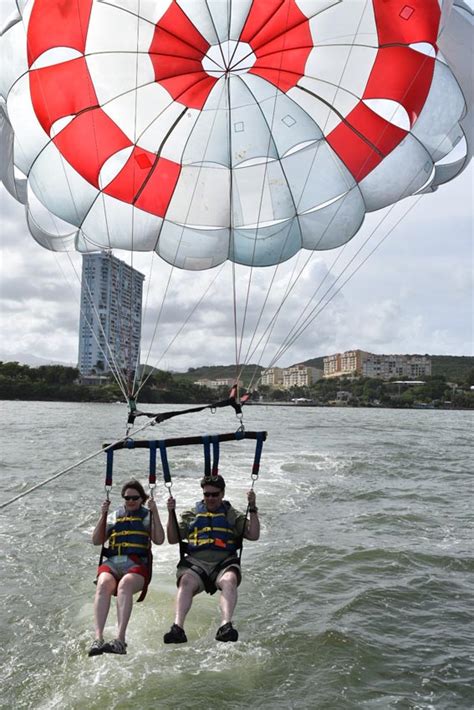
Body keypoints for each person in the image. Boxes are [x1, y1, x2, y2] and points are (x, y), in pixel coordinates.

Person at [164, 474, 259, 644]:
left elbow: (253, 534)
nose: (210, 498)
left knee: (229, 580)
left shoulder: (232, 515)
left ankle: (226, 625)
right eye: (207, 494)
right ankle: (177, 627)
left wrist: (252, 507)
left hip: (223, 563)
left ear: (222, 494)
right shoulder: (191, 515)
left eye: (215, 494)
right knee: (185, 582)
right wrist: (171, 512)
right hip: (196, 565)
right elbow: (171, 538)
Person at [88, 479, 164, 656]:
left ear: (142, 498)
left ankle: (120, 640)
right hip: (113, 563)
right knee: (103, 583)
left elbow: (159, 539)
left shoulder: (146, 516)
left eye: (134, 498)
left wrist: (156, 512)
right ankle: (98, 639)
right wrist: (103, 515)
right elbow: (96, 541)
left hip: (136, 564)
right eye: (126, 498)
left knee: (125, 585)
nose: (130, 501)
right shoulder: (115, 515)